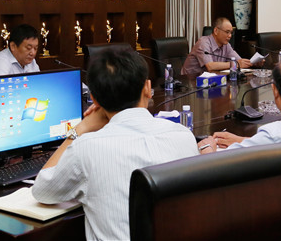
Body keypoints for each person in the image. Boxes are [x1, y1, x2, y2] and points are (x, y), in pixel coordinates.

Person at [32, 48, 198, 240]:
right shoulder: (183, 135)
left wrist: (80, 129)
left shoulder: (86, 148)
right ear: (147, 88)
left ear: (94, 99)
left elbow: (42, 191)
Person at [198, 58, 281, 152]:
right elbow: (277, 142)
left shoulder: (273, 133)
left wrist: (207, 148)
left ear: (275, 91)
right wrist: (243, 141)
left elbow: (218, 166)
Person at [181, 17, 254, 75]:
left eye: (231, 33)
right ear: (216, 31)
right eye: (227, 32)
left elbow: (239, 61)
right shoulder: (203, 43)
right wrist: (235, 64)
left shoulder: (226, 45)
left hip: (210, 81)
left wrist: (253, 62)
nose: (230, 36)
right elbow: (210, 66)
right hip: (189, 81)